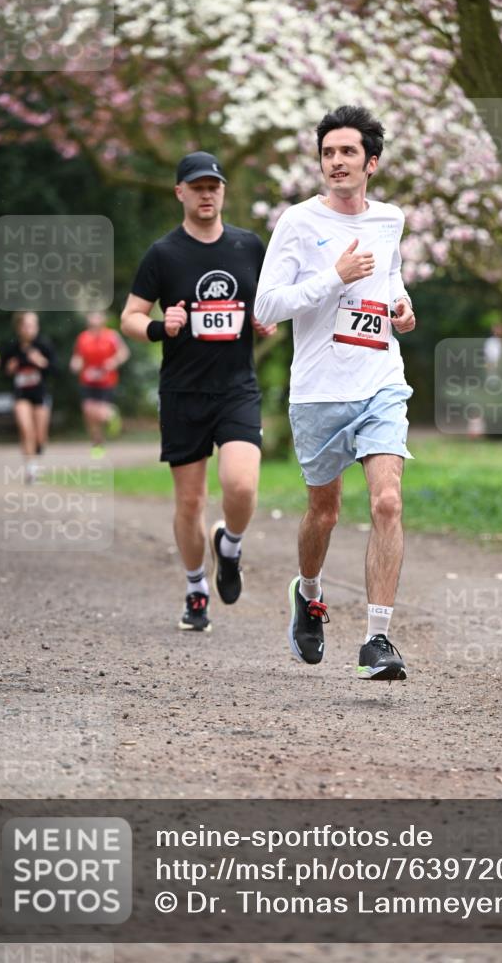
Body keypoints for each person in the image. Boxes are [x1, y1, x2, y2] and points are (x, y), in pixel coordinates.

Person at [255, 105, 416, 683]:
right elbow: (266, 305)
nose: (336, 161)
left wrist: (401, 305)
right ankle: (309, 593)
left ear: (372, 162)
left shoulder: (390, 219)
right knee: (324, 514)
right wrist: (334, 278)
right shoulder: (298, 222)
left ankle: (377, 639)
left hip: (380, 380)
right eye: (328, 153)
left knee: (387, 501)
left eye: (348, 152)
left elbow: (390, 276)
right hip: (319, 390)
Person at [120, 151, 275, 633]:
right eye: (197, 187)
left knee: (242, 485)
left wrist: (265, 318)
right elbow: (128, 318)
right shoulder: (163, 254)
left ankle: (229, 545)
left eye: (214, 186)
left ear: (223, 191)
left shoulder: (249, 246)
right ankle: (195, 589)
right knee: (190, 503)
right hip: (183, 392)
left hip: (236, 388)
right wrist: (159, 327)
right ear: (180, 192)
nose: (206, 194)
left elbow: (270, 299)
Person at [0, 311, 56, 480]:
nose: (30, 329)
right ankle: (31, 469)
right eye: (26, 325)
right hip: (21, 395)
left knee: (40, 437)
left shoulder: (44, 345)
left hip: (40, 394)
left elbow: (56, 370)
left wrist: (41, 362)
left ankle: (37, 449)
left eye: (33, 325)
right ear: (19, 327)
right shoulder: (12, 348)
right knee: (26, 429)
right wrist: (9, 369)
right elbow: (3, 373)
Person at [70, 311, 130, 457]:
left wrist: (114, 361)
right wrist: (75, 364)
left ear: (103, 319)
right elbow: (77, 356)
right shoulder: (83, 337)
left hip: (106, 381)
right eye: (92, 315)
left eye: (97, 316)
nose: (94, 319)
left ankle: (112, 414)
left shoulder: (112, 336)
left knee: (101, 413)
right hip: (87, 380)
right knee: (88, 413)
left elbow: (124, 352)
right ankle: (97, 444)